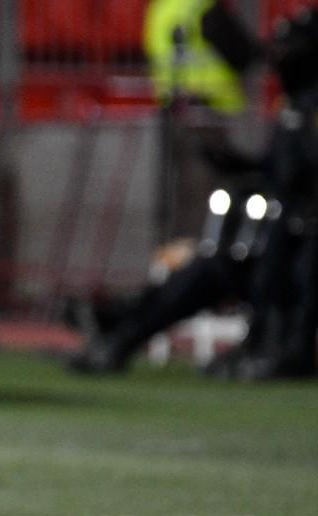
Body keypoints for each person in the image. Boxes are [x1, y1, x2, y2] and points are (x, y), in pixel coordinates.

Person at [69, 8, 318, 379]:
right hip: (281, 236)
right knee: (212, 264)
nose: (282, 58)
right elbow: (276, 172)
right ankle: (123, 331)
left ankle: (286, 348)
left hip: (304, 239)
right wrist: (235, 164)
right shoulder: (293, 106)